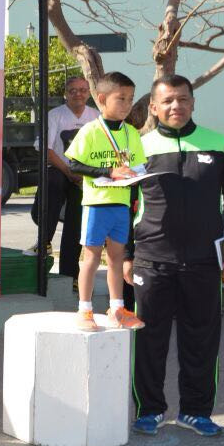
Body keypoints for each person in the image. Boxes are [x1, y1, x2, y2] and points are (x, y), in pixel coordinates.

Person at [125, 75, 224, 437]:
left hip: (203, 260)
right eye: (167, 101)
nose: (175, 106)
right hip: (151, 258)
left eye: (182, 99)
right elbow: (124, 204)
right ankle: (150, 409)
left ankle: (196, 411)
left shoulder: (220, 143)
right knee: (149, 338)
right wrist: (127, 256)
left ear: (193, 102)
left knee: (202, 338)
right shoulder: (137, 147)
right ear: (154, 107)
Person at [63, 72, 146, 332]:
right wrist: (108, 172)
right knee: (90, 257)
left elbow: (138, 166)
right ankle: (84, 310)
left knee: (117, 259)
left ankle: (117, 308)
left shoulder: (131, 132)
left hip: (121, 204)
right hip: (97, 203)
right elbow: (74, 164)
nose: (127, 104)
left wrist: (137, 175)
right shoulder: (90, 130)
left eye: (130, 99)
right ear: (101, 99)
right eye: (120, 98)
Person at [25, 76, 99, 291]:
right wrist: (68, 171)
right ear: (65, 93)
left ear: (88, 93)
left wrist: (84, 174)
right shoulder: (55, 115)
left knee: (76, 224)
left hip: (83, 175)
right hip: (58, 169)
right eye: (73, 90)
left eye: (82, 90)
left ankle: (70, 274)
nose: (78, 93)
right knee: (53, 186)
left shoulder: (95, 117)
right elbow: (46, 149)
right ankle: (44, 242)